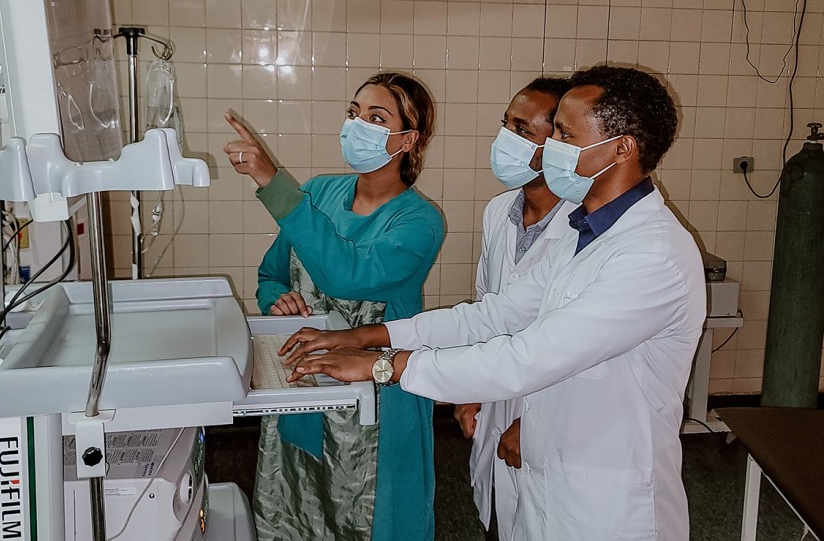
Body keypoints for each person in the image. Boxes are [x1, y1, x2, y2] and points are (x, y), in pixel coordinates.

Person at [282, 65, 706, 540]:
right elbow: (494, 315)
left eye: (565, 134)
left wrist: (383, 367)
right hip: (549, 478)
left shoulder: (653, 254)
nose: (552, 149)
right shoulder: (580, 234)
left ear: (621, 148)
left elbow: (529, 358)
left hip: (608, 498)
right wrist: (364, 336)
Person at [223, 71, 444, 541]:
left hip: (378, 399)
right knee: (298, 509)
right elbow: (271, 275)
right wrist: (276, 301)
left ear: (408, 139)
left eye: (377, 117)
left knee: (370, 519)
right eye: (354, 112)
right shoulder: (321, 192)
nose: (358, 124)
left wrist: (272, 181)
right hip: (302, 388)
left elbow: (346, 275)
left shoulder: (420, 222)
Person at [456, 76, 575, 541]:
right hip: (499, 400)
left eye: (522, 130)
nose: (504, 139)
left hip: (555, 416)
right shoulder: (498, 212)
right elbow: (487, 309)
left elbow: (582, 347)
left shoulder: (583, 227)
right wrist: (472, 388)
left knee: (541, 522)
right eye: (505, 125)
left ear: (563, 144)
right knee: (499, 521)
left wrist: (537, 423)